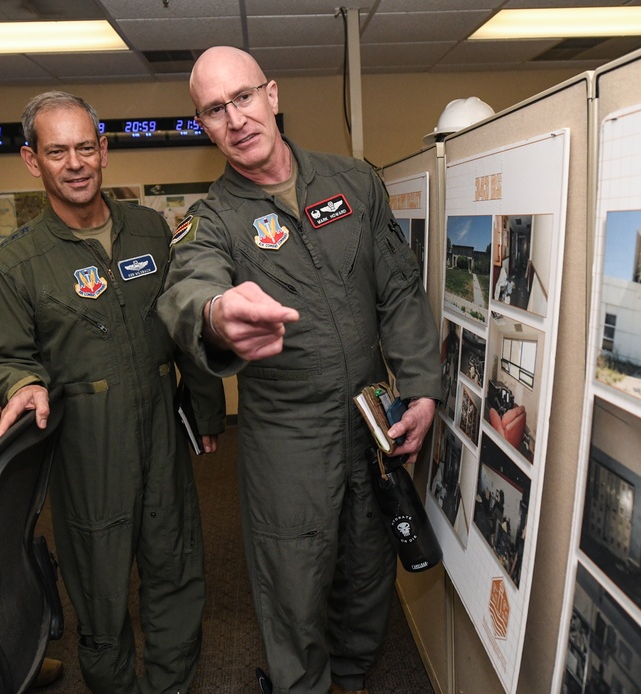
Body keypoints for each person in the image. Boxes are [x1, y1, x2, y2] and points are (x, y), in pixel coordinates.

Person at [158, 47, 442, 694]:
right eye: (214, 110)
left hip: (372, 418)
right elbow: (187, 291)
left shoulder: (354, 183)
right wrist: (216, 312)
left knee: (370, 565)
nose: (235, 119)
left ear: (273, 95)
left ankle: (353, 673)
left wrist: (421, 386)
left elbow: (396, 290)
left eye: (244, 98)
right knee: (294, 580)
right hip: (288, 434)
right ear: (203, 124)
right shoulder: (211, 221)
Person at [0, 91, 226, 694]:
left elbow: (185, 324)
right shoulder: (20, 261)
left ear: (104, 150)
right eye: (57, 151)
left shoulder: (150, 230)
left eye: (86, 147)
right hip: (87, 444)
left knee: (177, 565)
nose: (76, 162)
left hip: (162, 430)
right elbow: (1, 355)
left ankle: (172, 684)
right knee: (99, 585)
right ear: (34, 162)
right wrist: (23, 382)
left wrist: (207, 406)